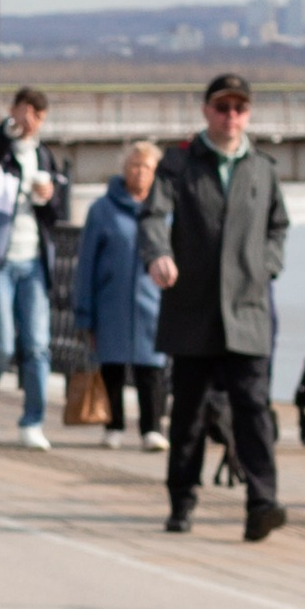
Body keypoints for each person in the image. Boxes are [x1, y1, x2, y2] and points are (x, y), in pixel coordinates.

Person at [142, 73, 289, 542]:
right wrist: (158, 254)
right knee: (188, 412)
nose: (231, 117)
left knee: (253, 409)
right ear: (206, 111)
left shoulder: (262, 168)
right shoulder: (180, 164)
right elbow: (153, 215)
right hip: (194, 308)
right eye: (222, 108)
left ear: (248, 114)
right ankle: (182, 500)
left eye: (239, 109)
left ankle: (262, 503)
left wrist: (266, 265)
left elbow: (278, 227)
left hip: (247, 309)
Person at [0, 85, 66, 448]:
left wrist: (49, 199)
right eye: (26, 112)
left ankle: (32, 420)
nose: (31, 121)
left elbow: (56, 215)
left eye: (38, 116)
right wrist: (9, 129)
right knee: (2, 344)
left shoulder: (45, 157)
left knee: (37, 346)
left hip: (32, 260)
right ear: (14, 111)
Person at [72, 141, 169, 448]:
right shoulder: (102, 210)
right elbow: (86, 264)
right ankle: (113, 426)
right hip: (111, 303)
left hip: (152, 303)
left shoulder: (165, 212)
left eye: (147, 167)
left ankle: (152, 428)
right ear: (124, 169)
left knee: (151, 368)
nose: (140, 173)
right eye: (134, 166)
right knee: (111, 366)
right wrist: (84, 313)